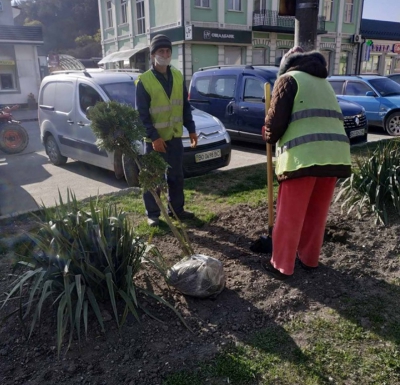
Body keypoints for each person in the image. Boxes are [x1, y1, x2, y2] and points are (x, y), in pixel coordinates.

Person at [262, 46, 352, 280]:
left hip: (302, 159)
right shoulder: (324, 83)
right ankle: (309, 259)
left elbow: (275, 125)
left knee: (289, 216)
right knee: (316, 213)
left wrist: (268, 133)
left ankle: (281, 265)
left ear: (286, 65)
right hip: (333, 156)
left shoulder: (287, 80)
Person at [136, 34, 198, 227]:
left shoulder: (178, 76)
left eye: (168, 51)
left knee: (176, 176)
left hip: (174, 137)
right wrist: (154, 137)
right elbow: (142, 115)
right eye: (161, 51)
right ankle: (153, 214)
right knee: (153, 178)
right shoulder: (144, 81)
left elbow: (184, 106)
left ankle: (176, 210)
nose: (165, 54)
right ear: (153, 54)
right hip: (155, 142)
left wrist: (192, 129)